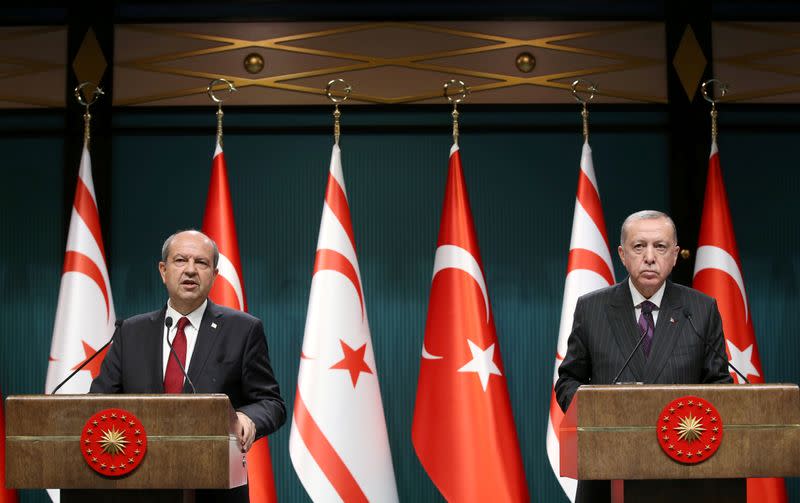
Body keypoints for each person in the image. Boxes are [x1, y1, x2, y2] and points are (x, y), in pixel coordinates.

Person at [91, 230, 286, 502]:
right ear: (163, 270)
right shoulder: (131, 331)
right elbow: (98, 404)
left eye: (202, 263)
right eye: (181, 260)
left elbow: (271, 402)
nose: (191, 270)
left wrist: (247, 417)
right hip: (137, 485)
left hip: (214, 489)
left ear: (215, 274)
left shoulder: (243, 329)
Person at [555, 210, 732, 503]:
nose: (649, 257)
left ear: (675, 255)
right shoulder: (592, 309)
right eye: (639, 247)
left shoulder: (700, 310)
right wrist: (600, 412)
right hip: (608, 471)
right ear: (623, 254)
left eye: (660, 247)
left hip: (682, 472)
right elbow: (569, 380)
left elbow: (720, 386)